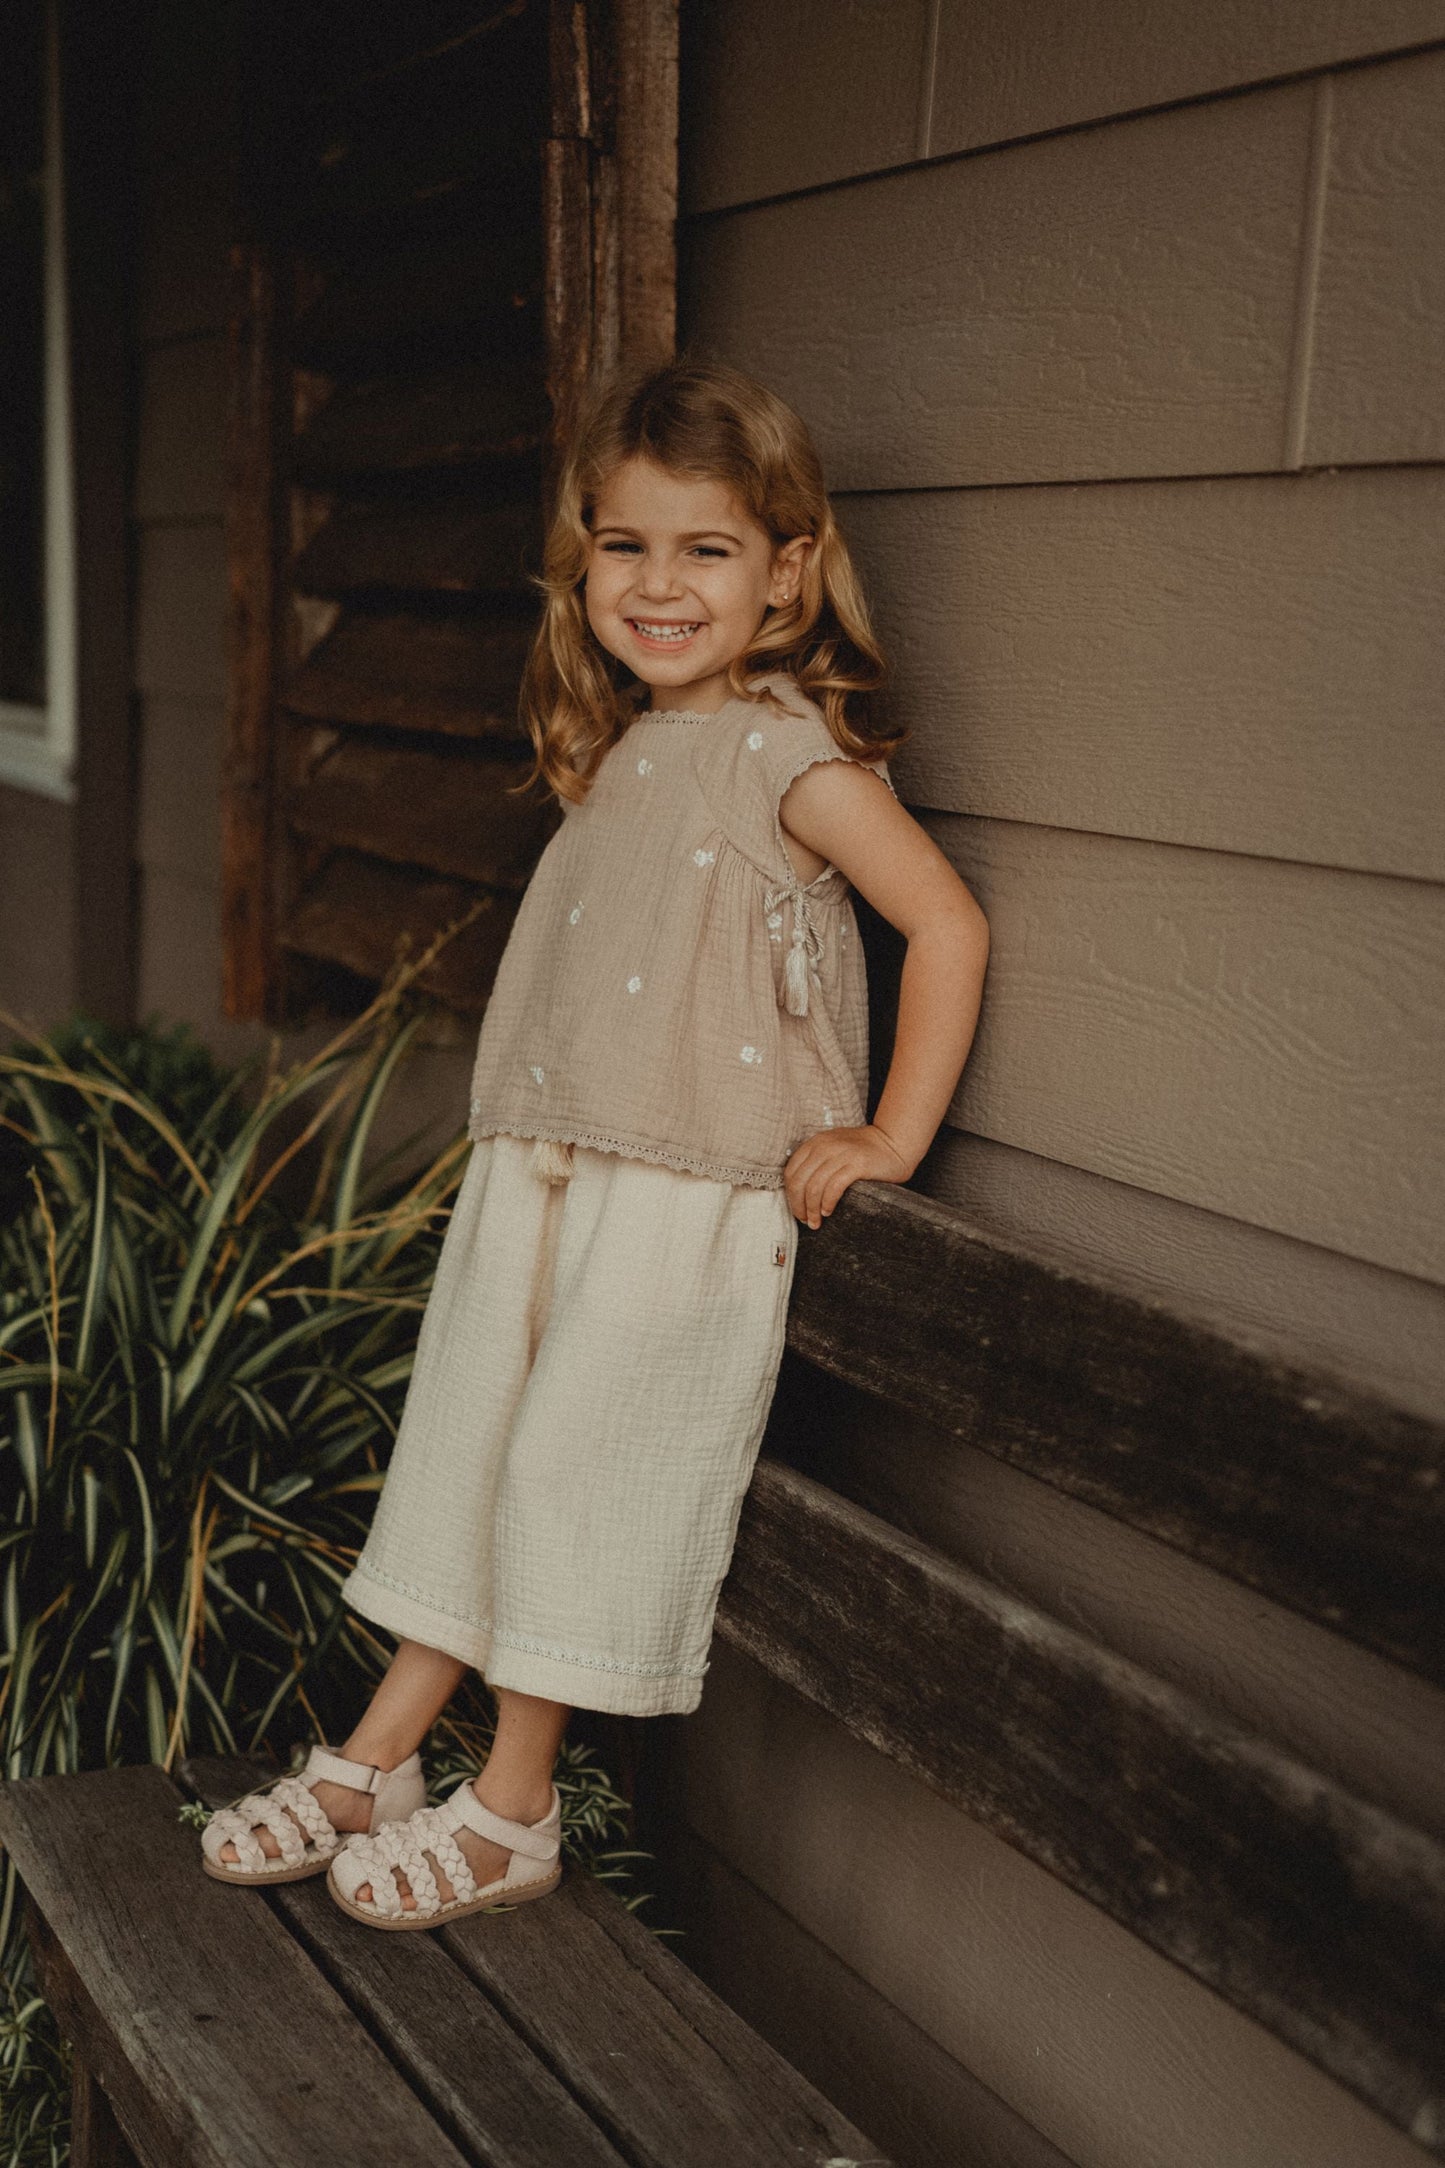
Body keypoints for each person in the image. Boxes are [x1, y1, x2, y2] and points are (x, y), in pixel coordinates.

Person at [199, 358, 990, 1927]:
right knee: (473, 1445)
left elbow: (947, 926)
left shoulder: (787, 758)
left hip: (689, 1188)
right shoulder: (621, 750)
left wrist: (888, 1133)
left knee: (576, 1466)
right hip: (552, 1170)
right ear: (582, 562)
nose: (660, 582)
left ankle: (515, 1805)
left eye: (706, 548)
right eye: (626, 545)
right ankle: (379, 1756)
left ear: (785, 570)